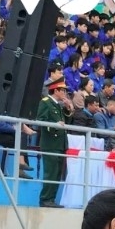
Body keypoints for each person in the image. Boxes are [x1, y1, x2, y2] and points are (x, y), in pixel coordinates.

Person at [37, 76, 72, 208]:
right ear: (56, 90)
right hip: (50, 143)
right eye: (62, 90)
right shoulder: (46, 102)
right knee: (50, 172)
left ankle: (51, 199)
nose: (64, 93)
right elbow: (40, 120)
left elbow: (66, 122)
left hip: (60, 144)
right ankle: (45, 199)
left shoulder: (58, 105)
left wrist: (69, 109)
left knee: (57, 173)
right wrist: (54, 124)